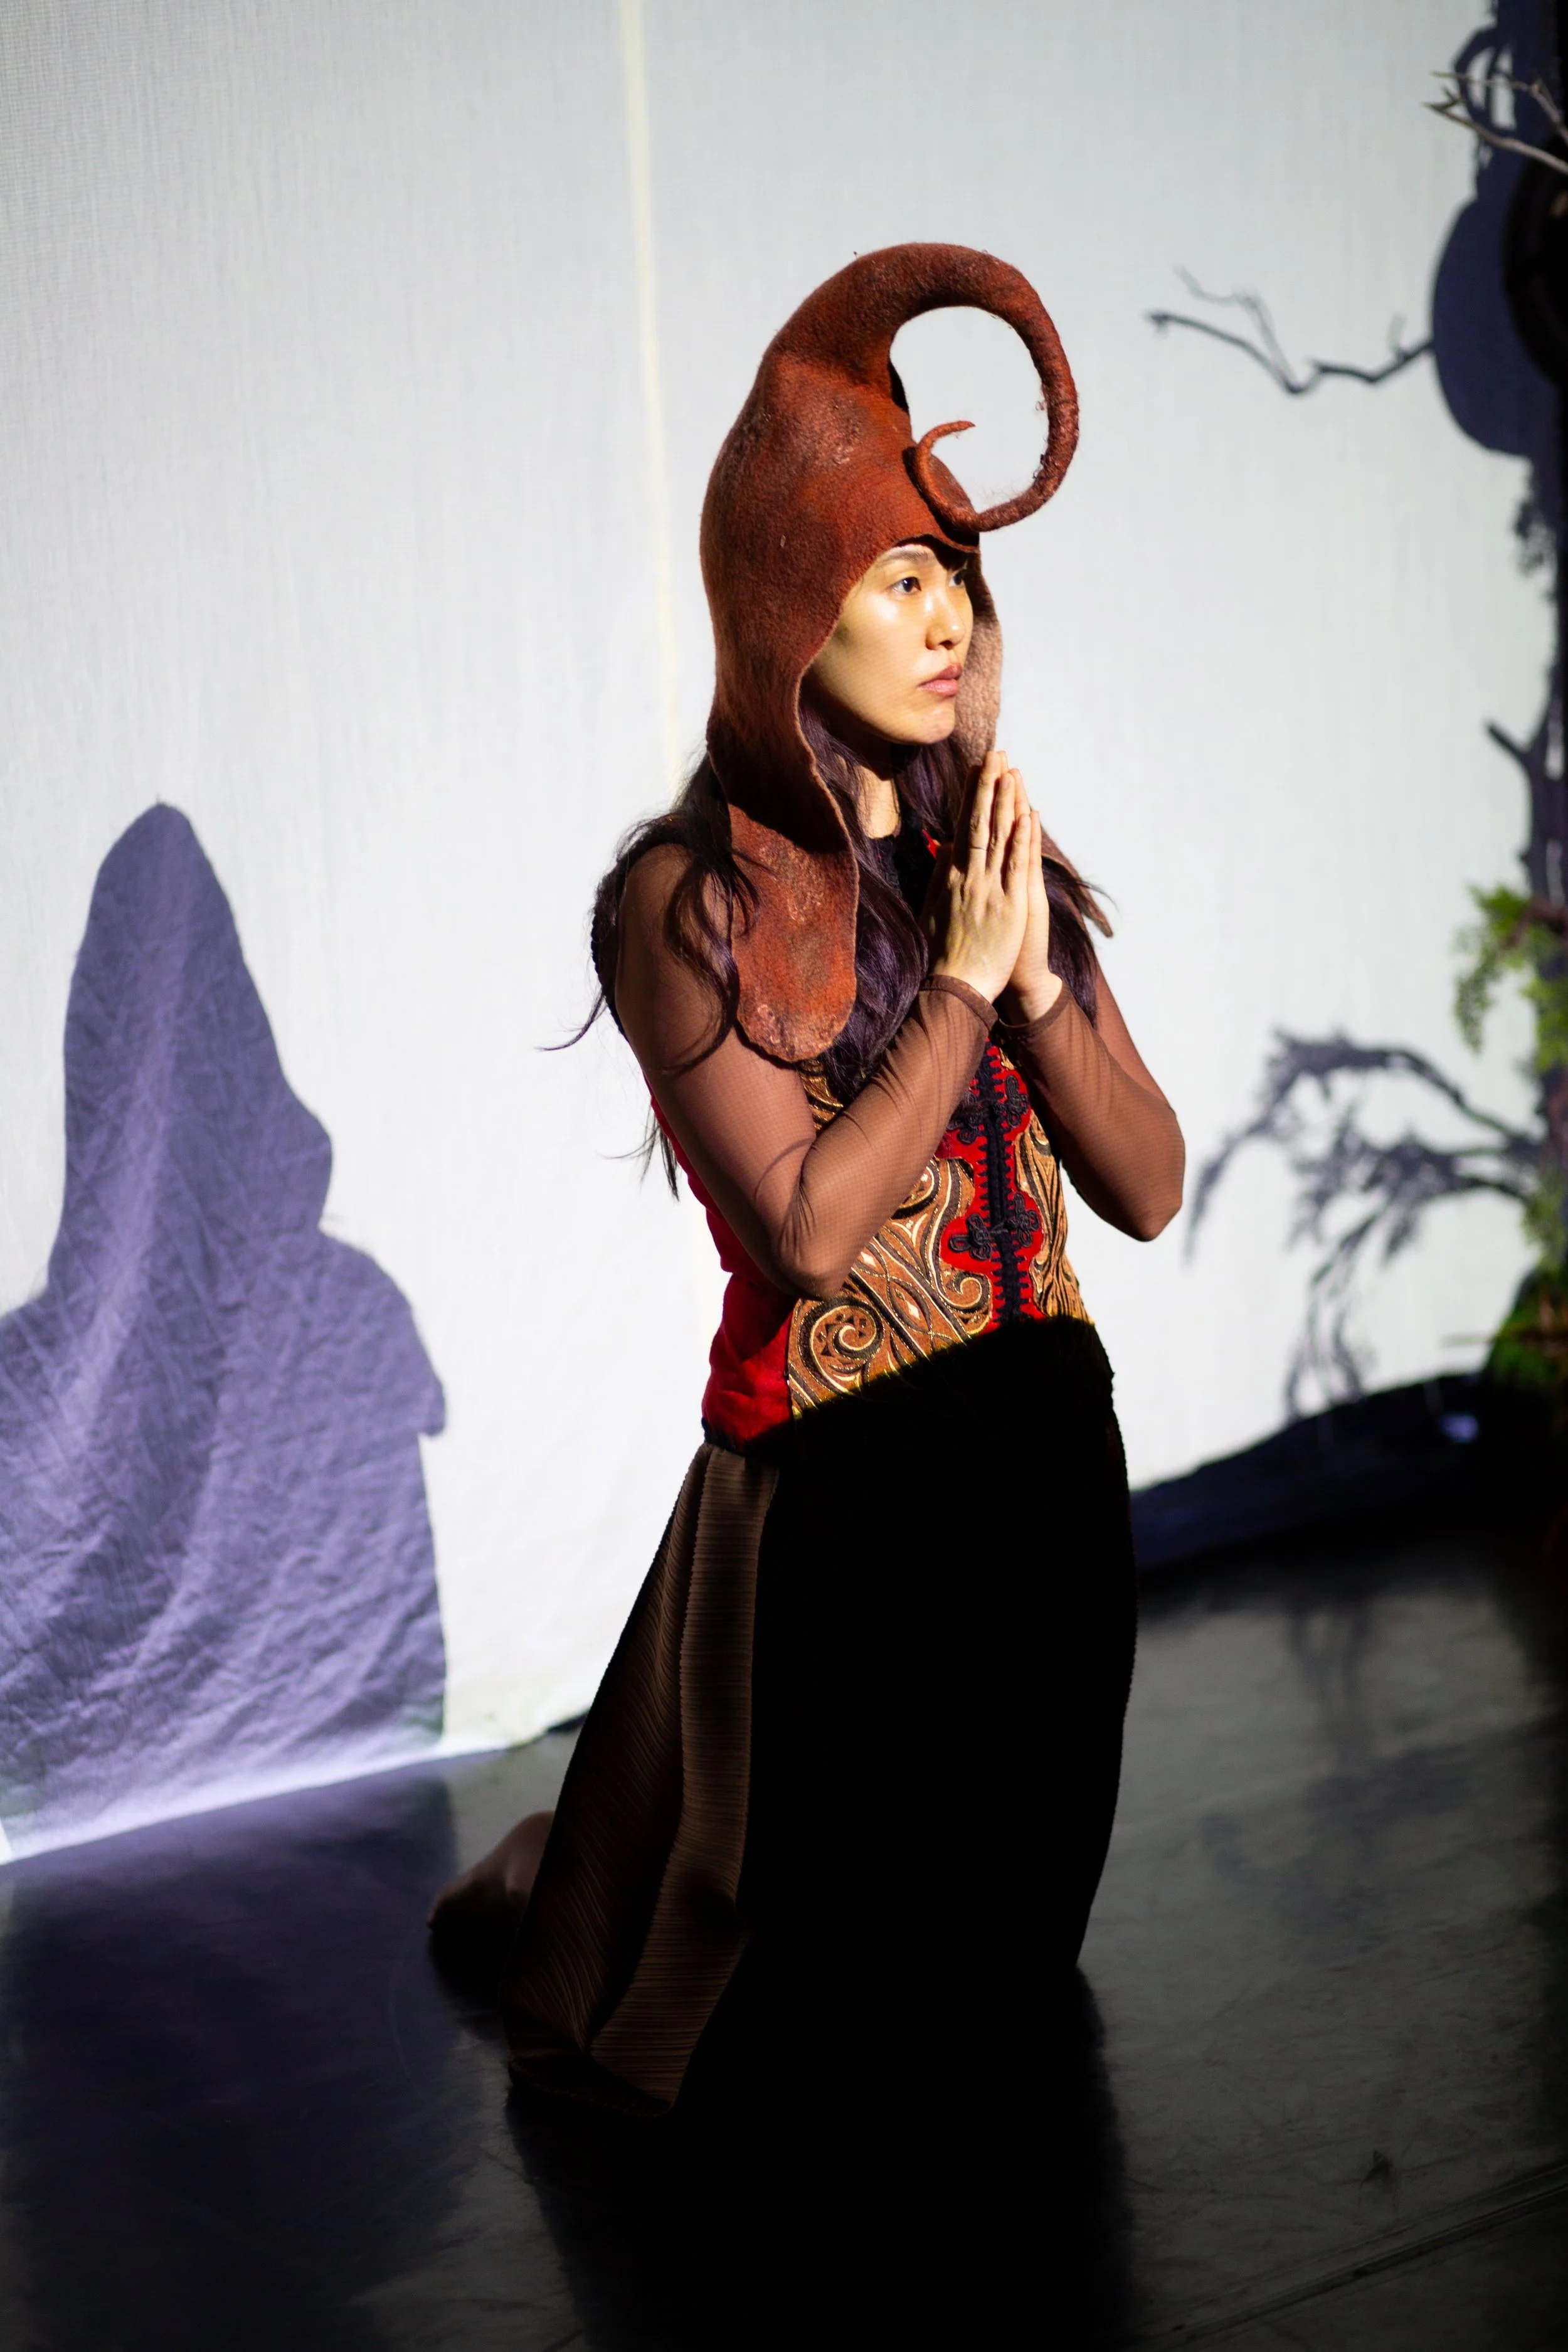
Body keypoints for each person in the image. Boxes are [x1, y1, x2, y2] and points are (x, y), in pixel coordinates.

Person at [430, 244, 1184, 2117]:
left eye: (954, 578)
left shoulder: (991, 862)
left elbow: (1152, 1182)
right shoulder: (682, 899)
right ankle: (555, 1881)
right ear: (789, 607)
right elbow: (810, 1230)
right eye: (896, 576)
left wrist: (1029, 978)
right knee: (781, 2050)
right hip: (840, 1523)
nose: (943, 620)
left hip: (1043, 1501)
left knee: (1002, 1994)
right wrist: (958, 987)